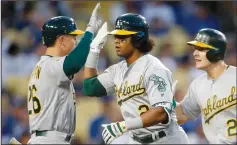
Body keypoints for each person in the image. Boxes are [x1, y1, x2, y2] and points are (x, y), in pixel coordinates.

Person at [82, 13, 189, 144]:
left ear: (138, 38)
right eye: (116, 36)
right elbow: (89, 88)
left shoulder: (154, 68)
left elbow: (161, 112)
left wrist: (124, 125)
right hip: (136, 140)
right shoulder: (117, 70)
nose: (116, 40)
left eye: (122, 36)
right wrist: (94, 50)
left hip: (165, 139)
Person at [14, 3, 104, 144]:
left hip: (47, 138)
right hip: (51, 139)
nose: (75, 41)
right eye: (72, 37)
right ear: (61, 40)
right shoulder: (50, 65)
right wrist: (90, 32)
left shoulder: (43, 66)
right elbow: (75, 62)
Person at [175, 28, 236, 144]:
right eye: (195, 49)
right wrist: (166, 101)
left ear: (216, 51)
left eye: (201, 49)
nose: (195, 53)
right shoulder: (198, 84)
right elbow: (182, 115)